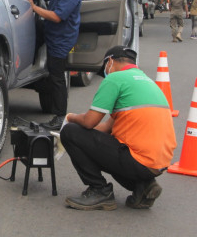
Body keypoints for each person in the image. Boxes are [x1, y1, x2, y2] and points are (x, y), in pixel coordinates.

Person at [60, 46, 176, 211]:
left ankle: (99, 190)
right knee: (113, 144)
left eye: (105, 68)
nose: (105, 73)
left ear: (111, 61)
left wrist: (70, 118)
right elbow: (107, 128)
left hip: (137, 160)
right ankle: (143, 186)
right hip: (156, 164)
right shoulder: (146, 81)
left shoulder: (115, 79)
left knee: (70, 132)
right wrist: (86, 139)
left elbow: (89, 122)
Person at [25, 0, 82, 130]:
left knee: (56, 77)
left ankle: (60, 116)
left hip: (61, 40)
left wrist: (34, 8)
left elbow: (56, 17)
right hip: (50, 32)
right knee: (34, 34)